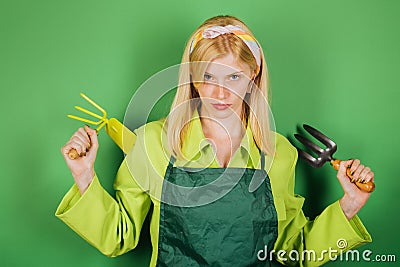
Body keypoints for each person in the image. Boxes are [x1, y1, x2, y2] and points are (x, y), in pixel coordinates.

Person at [56, 15, 374, 266]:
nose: (220, 94)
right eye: (208, 76)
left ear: (254, 77)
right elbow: (117, 238)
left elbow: (295, 251)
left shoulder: (279, 153)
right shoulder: (151, 142)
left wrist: (349, 205)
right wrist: (83, 176)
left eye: (234, 77)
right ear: (192, 78)